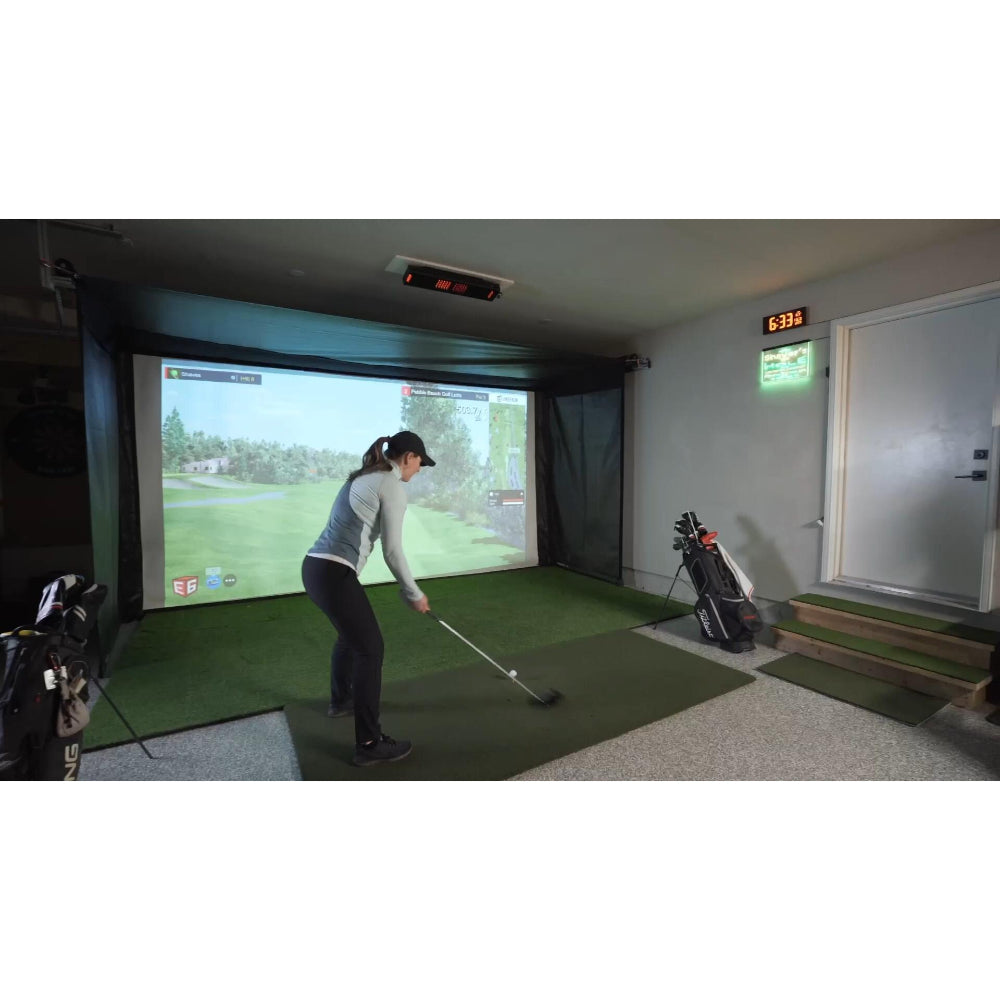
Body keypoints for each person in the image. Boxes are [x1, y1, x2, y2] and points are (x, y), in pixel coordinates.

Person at [301, 430, 435, 766]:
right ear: (408, 457)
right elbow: (392, 550)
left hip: (316, 570)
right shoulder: (390, 485)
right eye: (420, 462)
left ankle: (341, 700)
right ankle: (370, 743)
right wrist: (413, 593)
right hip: (333, 572)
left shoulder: (367, 476)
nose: (419, 469)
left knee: (351, 638)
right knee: (370, 648)